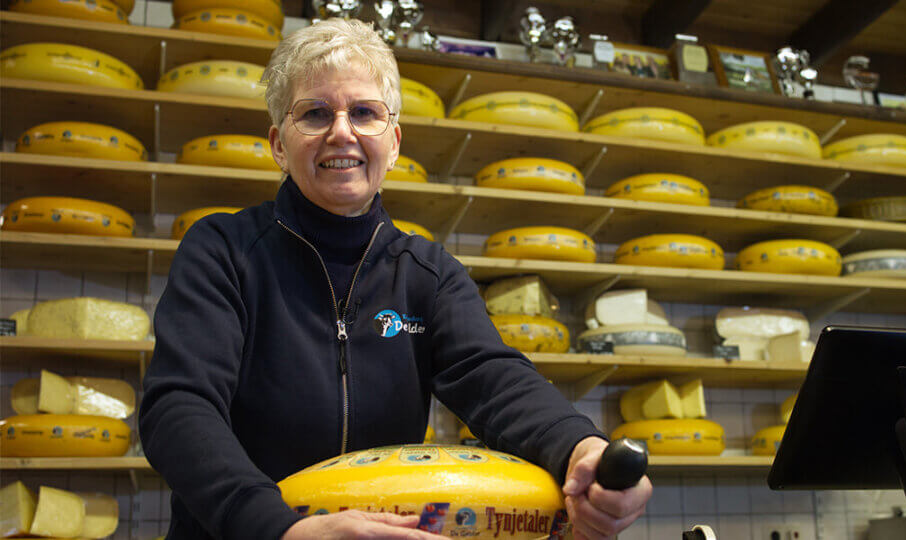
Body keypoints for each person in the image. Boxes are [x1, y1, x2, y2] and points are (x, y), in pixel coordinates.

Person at [139, 18, 651, 540]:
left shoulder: (428, 273)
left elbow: (496, 379)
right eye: (315, 113)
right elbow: (179, 407)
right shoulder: (222, 250)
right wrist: (277, 529)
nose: (342, 131)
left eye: (364, 112)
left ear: (395, 140)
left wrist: (580, 447)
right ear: (277, 144)